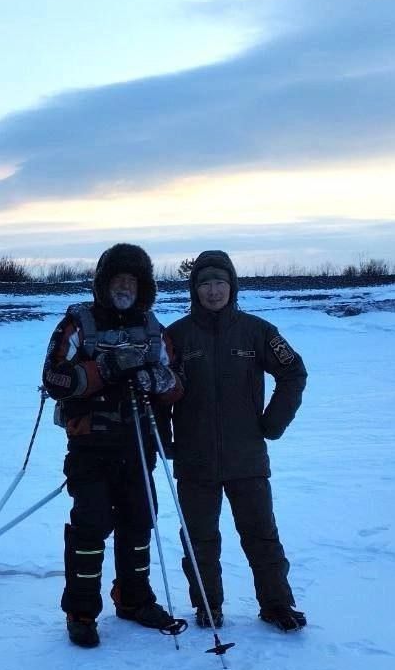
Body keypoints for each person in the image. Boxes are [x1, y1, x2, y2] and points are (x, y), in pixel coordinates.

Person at [41, 243, 185, 648]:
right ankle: (82, 612)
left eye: (132, 282)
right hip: (90, 445)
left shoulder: (155, 329)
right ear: (103, 284)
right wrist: (104, 368)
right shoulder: (79, 324)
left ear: (144, 288)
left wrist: (155, 381)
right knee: (90, 527)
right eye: (118, 280)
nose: (125, 288)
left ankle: (134, 599)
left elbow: (177, 382)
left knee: (140, 521)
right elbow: (54, 377)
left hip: (139, 444)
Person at [164, 250, 308, 632]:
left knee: (262, 535)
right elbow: (159, 393)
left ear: (232, 287)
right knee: (199, 540)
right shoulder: (176, 336)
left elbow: (294, 373)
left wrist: (272, 423)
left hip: (247, 457)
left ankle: (277, 603)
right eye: (205, 283)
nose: (213, 291)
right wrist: (164, 440)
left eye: (220, 283)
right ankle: (207, 606)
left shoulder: (257, 331)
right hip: (195, 460)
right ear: (195, 289)